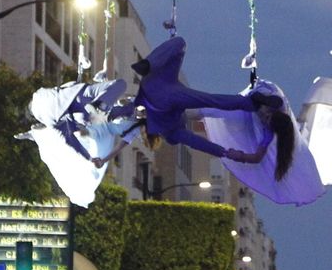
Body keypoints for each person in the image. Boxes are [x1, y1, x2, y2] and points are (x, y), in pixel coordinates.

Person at [124, 36, 294, 176]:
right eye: (266, 117)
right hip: (167, 89)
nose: (263, 119)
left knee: (180, 44)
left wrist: (233, 154)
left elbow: (202, 138)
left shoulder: (171, 128)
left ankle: (148, 64)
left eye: (265, 120)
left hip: (163, 85)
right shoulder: (172, 131)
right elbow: (199, 141)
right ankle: (148, 64)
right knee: (209, 100)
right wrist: (230, 154)